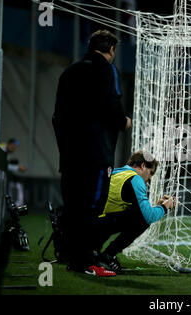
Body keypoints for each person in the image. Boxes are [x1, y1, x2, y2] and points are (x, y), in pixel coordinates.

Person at [52, 29, 132, 277]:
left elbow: (57, 116)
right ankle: (87, 262)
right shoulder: (107, 70)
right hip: (96, 154)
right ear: (111, 50)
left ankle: (69, 256)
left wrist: (66, 146)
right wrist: (123, 121)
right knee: (93, 207)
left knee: (73, 205)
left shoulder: (69, 71)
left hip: (69, 154)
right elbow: (111, 104)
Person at [93, 150, 176, 274]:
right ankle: (108, 256)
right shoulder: (135, 179)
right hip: (97, 225)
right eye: (151, 173)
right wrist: (165, 206)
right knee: (142, 220)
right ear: (143, 166)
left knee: (135, 214)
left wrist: (157, 206)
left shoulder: (116, 172)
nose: (149, 179)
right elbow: (148, 217)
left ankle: (94, 251)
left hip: (89, 226)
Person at [0, 138, 27, 207]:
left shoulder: (6, 151)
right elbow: (3, 165)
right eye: (13, 145)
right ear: (9, 144)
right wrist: (18, 167)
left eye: (15, 146)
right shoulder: (2, 149)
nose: (15, 148)